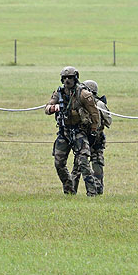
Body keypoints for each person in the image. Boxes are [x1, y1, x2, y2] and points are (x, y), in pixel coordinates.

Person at [45, 66, 100, 196]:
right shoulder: (59, 93)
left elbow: (94, 113)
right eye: (64, 78)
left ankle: (92, 192)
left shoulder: (84, 94)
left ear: (75, 78)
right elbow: (47, 108)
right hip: (64, 132)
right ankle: (69, 190)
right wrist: (53, 108)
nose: (67, 80)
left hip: (79, 132)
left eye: (70, 77)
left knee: (84, 163)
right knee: (59, 163)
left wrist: (93, 130)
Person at [71, 80, 112, 195]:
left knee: (78, 164)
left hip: (83, 139)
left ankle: (71, 189)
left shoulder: (78, 102)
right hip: (96, 139)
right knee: (97, 163)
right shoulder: (99, 104)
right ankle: (98, 189)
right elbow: (109, 121)